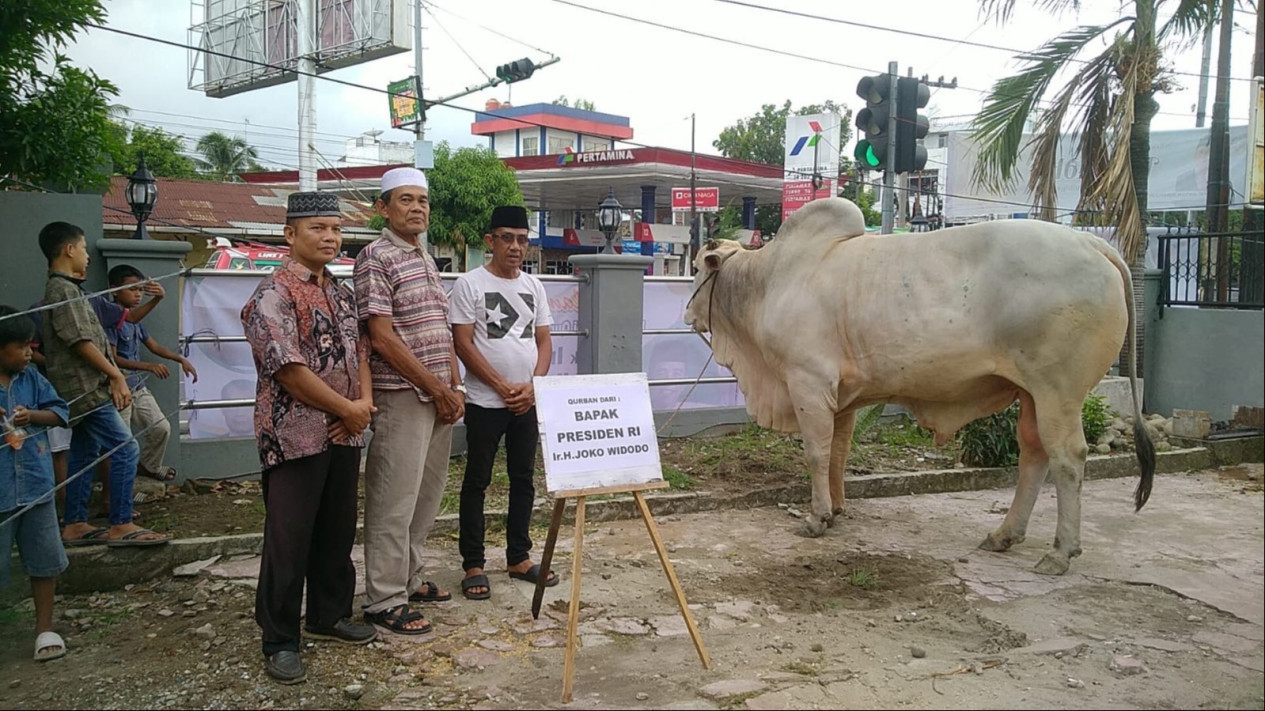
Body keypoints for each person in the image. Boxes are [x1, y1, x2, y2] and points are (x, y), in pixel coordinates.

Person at [241, 191, 378, 684]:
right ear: (290, 235)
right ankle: (279, 638)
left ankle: (328, 614)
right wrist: (348, 409)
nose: (330, 237)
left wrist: (360, 407)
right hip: (293, 436)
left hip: (344, 432)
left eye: (335, 229)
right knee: (288, 537)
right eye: (318, 228)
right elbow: (289, 370)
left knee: (338, 529)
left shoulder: (341, 292)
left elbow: (361, 352)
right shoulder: (271, 296)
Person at [354, 167, 465, 635]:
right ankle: (383, 598)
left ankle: (411, 578)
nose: (417, 208)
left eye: (422, 200)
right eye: (405, 200)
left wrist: (453, 386)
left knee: (426, 496)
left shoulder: (426, 258)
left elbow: (440, 329)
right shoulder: (374, 257)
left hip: (439, 396)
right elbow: (381, 337)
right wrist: (435, 387)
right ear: (383, 208)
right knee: (392, 498)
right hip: (402, 396)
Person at [449, 205, 557, 600]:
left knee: (523, 479)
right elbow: (462, 343)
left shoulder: (534, 286)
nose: (515, 246)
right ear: (489, 241)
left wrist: (533, 386)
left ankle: (518, 557)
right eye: (506, 238)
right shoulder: (469, 284)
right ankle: (473, 564)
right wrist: (499, 385)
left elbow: (543, 341)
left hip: (526, 403)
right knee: (477, 481)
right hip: (483, 402)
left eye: (522, 239)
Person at [39, 222, 168, 548]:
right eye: (83, 249)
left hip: (84, 388)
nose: (87, 257)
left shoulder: (69, 289)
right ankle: (121, 524)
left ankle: (76, 523)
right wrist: (114, 375)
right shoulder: (61, 292)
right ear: (69, 250)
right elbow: (80, 341)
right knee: (126, 449)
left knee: (85, 453)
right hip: (85, 387)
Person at [0, 305, 71, 662]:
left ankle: (44, 627)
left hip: (36, 487)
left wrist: (33, 416)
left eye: (30, 345)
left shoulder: (32, 380)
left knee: (44, 560)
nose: (30, 352)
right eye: (22, 346)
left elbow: (61, 412)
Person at [96, 264, 198, 482]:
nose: (138, 294)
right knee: (121, 443)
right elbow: (112, 358)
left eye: (141, 290)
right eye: (132, 289)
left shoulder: (135, 320)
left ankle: (149, 466)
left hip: (137, 387)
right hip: (118, 389)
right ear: (114, 290)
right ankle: (116, 493)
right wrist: (148, 366)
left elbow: (153, 345)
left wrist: (180, 359)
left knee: (161, 428)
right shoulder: (111, 318)